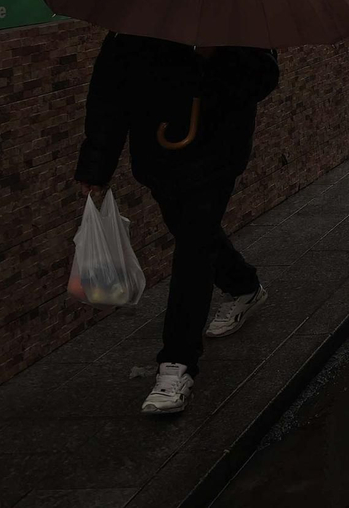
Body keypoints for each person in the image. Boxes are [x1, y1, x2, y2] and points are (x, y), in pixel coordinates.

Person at [75, 35, 280, 415]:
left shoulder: (237, 23)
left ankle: (177, 364)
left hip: (217, 152)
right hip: (159, 158)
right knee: (193, 234)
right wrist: (96, 166)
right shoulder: (135, 24)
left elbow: (263, 79)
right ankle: (244, 285)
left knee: (194, 245)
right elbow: (109, 96)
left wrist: (212, 57)